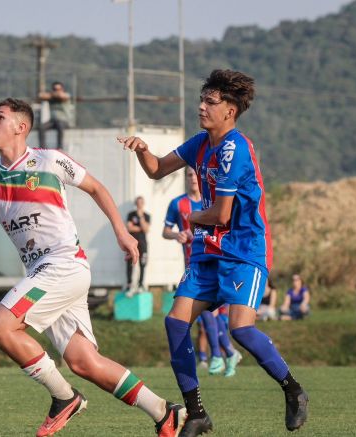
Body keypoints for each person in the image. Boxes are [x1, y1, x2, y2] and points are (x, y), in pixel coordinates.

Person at [0, 98, 186, 437]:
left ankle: (64, 398)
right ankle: (164, 412)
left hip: (63, 263)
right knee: (83, 362)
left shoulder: (49, 160)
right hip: (44, 272)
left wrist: (122, 233)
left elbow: (96, 188)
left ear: (21, 127)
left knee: (0, 327)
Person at [120, 69, 308, 435]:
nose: (202, 106)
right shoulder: (200, 143)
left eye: (211, 101)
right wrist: (144, 150)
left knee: (240, 329)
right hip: (210, 251)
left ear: (231, 111)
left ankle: (294, 391)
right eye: (202, 99)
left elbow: (221, 214)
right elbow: (158, 169)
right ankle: (197, 413)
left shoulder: (234, 149)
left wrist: (190, 219)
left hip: (244, 251)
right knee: (175, 323)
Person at [163, 168, 241, 378]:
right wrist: (176, 234)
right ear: (186, 179)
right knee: (208, 312)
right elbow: (165, 230)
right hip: (192, 263)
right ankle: (227, 353)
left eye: (195, 175)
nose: (193, 179)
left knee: (212, 311)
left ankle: (218, 354)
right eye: (189, 175)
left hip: (214, 262)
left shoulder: (215, 202)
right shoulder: (177, 204)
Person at [38, 81, 74, 149]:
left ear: (62, 89)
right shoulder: (51, 97)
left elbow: (62, 96)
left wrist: (52, 95)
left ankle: (60, 147)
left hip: (64, 121)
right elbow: (40, 95)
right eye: (55, 89)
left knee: (60, 125)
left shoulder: (66, 96)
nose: (57, 91)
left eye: (58, 89)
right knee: (41, 127)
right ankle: (42, 147)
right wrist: (52, 95)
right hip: (53, 121)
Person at [125, 196, 150, 294]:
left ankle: (140, 285)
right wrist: (140, 228)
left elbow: (146, 229)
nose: (139, 204)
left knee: (142, 263)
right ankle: (129, 284)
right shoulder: (131, 214)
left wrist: (140, 218)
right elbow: (129, 228)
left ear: (143, 204)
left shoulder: (146, 216)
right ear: (136, 203)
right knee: (129, 264)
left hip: (143, 244)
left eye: (141, 202)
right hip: (131, 244)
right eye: (138, 202)